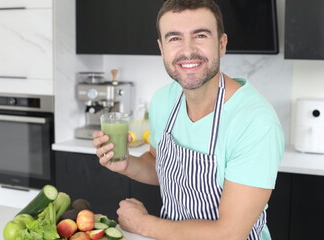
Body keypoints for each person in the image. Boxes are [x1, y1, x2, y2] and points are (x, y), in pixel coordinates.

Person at [93, 0, 284, 239]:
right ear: (162, 48)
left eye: (200, 35)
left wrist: (142, 224)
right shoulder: (164, 100)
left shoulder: (255, 123)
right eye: (174, 38)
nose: (188, 50)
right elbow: (158, 163)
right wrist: (127, 164)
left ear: (221, 44)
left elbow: (230, 233)